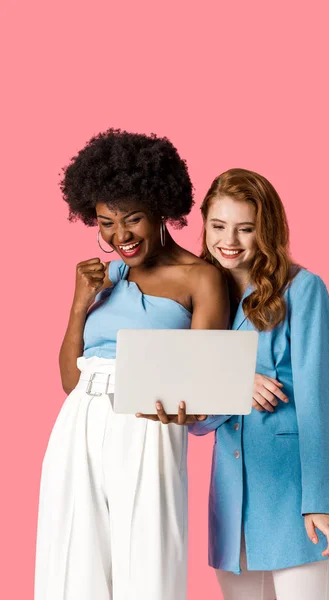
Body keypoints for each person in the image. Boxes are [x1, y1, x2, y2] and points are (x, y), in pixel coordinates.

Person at [34, 129, 229, 600]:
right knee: (72, 558)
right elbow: (69, 380)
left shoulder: (201, 279)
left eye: (133, 220)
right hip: (80, 418)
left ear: (162, 210)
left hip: (149, 420)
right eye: (105, 224)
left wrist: (195, 409)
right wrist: (79, 303)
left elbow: (206, 383)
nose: (120, 237)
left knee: (149, 557)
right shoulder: (105, 277)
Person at [189, 168, 329, 600]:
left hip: (292, 489)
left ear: (265, 231)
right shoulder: (199, 296)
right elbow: (195, 420)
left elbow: (321, 402)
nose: (229, 239)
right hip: (231, 494)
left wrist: (321, 500)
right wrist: (233, 381)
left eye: (245, 228)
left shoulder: (303, 290)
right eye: (218, 225)